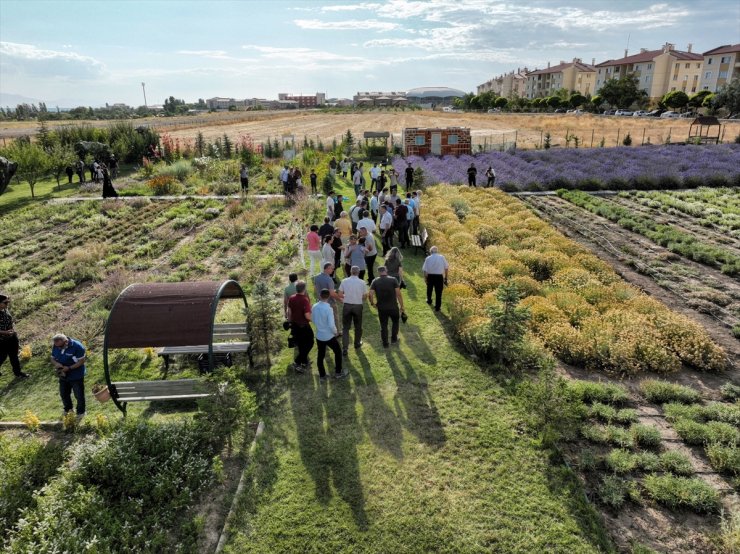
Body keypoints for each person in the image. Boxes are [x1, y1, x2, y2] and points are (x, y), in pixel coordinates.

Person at [51, 333, 87, 418]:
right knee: (64, 393)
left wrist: (69, 368)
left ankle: (81, 412)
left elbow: (81, 362)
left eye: (60, 346)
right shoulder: (56, 345)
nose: (58, 348)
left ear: (66, 341)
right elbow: (52, 358)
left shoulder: (78, 346)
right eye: (57, 346)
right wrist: (56, 363)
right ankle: (68, 409)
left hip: (76, 374)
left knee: (78, 394)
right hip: (63, 374)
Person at [369, 266, 405, 348]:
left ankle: (385, 343)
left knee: (383, 325)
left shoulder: (375, 281)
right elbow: (398, 294)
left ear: (378, 272)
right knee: (395, 322)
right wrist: (402, 305)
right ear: (386, 270)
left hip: (382, 308)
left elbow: (370, 294)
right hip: (393, 307)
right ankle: (394, 339)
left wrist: (372, 303)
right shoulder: (393, 280)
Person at [312, 288, 344, 380]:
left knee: (320, 355)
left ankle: (322, 375)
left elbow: (313, 319)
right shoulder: (328, 308)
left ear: (319, 295)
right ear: (328, 296)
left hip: (319, 336)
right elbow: (331, 324)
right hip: (329, 336)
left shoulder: (314, 306)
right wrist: (335, 332)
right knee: (338, 352)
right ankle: (338, 372)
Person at [338, 265, 367, 356]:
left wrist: (345, 298)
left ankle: (345, 348)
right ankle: (357, 343)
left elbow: (340, 294)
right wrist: (359, 298)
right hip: (358, 306)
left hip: (347, 305)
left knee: (345, 328)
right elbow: (365, 296)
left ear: (350, 272)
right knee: (358, 326)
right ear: (358, 272)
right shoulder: (362, 282)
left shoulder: (344, 281)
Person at [286, 281, 313, 373]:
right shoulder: (305, 300)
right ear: (304, 289)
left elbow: (289, 312)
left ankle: (304, 362)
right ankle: (297, 362)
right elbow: (307, 316)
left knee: (301, 344)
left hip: (294, 325)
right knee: (310, 343)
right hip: (303, 326)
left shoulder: (291, 298)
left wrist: (290, 322)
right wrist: (313, 320)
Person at [0, 295, 29, 379]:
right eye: (5, 302)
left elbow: (10, 321)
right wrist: (5, 332)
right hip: (1, 340)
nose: (7, 304)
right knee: (2, 356)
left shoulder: (5, 310)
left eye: (8, 302)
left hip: (11, 337)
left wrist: (12, 330)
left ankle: (18, 373)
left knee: (14, 356)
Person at [314, 262, 342, 334]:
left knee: (324, 319)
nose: (333, 270)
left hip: (320, 301)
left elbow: (316, 288)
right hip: (330, 302)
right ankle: (337, 332)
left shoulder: (316, 277)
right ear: (327, 269)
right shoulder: (329, 279)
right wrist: (340, 300)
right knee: (334, 317)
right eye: (332, 268)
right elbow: (332, 294)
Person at [422, 246, 449, 312]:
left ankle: (429, 300)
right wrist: (446, 277)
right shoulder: (442, 257)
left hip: (430, 276)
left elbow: (425, 270)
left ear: (431, 252)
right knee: (438, 292)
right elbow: (446, 267)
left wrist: (425, 278)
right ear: (437, 251)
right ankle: (437, 307)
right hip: (439, 276)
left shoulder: (428, 258)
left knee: (429, 289)